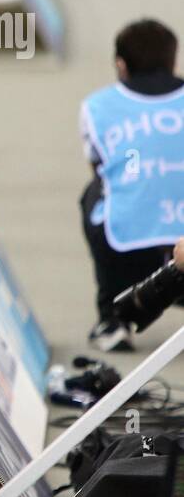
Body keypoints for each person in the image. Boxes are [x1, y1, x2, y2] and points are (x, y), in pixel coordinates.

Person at [79, 18, 184, 351]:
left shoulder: (97, 106)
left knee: (96, 192)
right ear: (173, 60)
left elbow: (100, 167)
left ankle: (112, 318)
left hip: (130, 251)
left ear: (121, 65)